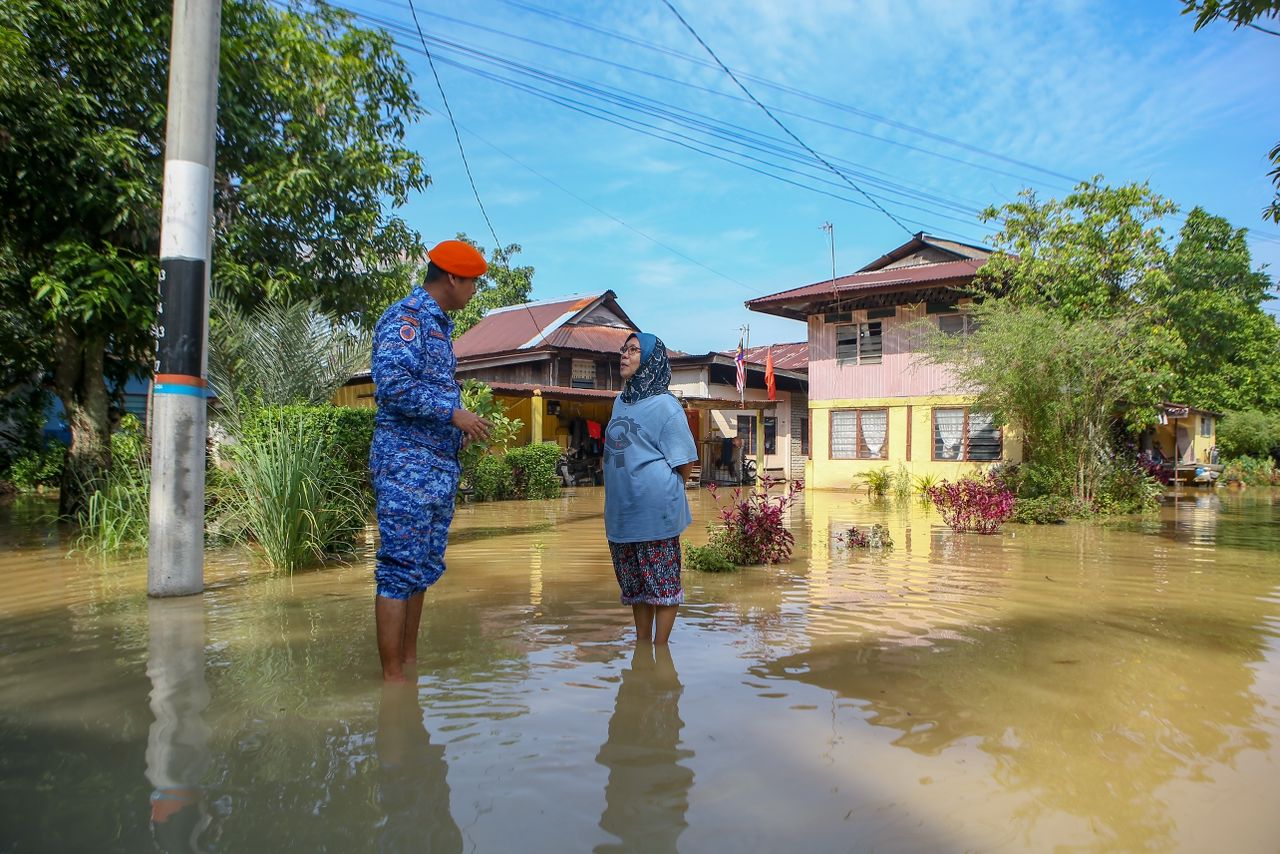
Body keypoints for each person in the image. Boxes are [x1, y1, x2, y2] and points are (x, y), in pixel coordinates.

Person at [369, 239, 492, 682]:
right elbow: (393, 386)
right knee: (399, 567)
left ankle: (408, 666)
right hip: (406, 464)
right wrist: (454, 414)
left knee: (420, 569)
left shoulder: (439, 327)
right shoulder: (408, 319)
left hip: (436, 467)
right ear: (452, 278)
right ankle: (393, 681)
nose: (476, 290)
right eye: (474, 282)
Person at [603, 332, 698, 645]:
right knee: (635, 588)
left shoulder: (666, 406)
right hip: (621, 513)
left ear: (650, 360)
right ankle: (643, 648)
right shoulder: (620, 401)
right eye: (624, 349)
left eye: (633, 350)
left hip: (655, 513)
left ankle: (661, 654)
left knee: (663, 586)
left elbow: (684, 464)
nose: (624, 355)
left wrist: (658, 490)